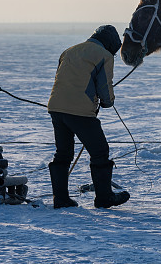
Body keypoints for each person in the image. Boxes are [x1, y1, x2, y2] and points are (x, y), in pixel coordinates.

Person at [47, 25, 130, 209]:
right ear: (110, 45)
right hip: (81, 112)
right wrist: (108, 102)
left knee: (63, 154)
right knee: (100, 152)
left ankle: (60, 199)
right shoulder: (104, 56)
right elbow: (105, 88)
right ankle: (104, 198)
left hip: (56, 108)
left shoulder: (69, 51)